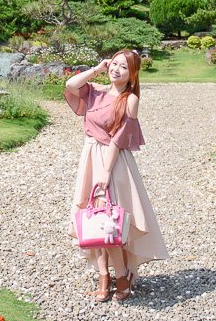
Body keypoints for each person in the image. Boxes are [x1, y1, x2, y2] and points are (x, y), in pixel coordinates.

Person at [65, 49, 169, 302]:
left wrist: (105, 173)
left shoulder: (129, 99)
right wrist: (97, 68)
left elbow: (117, 141)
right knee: (94, 219)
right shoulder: (95, 91)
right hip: (89, 156)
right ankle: (104, 276)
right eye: (115, 64)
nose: (116, 69)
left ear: (132, 76)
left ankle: (122, 276)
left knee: (108, 221)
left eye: (124, 67)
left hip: (112, 162)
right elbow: (70, 84)